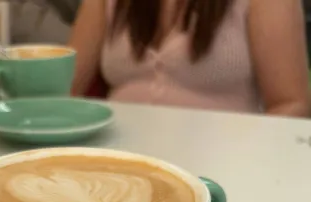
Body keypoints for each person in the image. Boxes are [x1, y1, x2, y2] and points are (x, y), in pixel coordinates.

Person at [69, 0, 311, 117]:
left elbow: (291, 103)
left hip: (222, 171)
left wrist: (251, 161)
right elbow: (65, 88)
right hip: (119, 163)